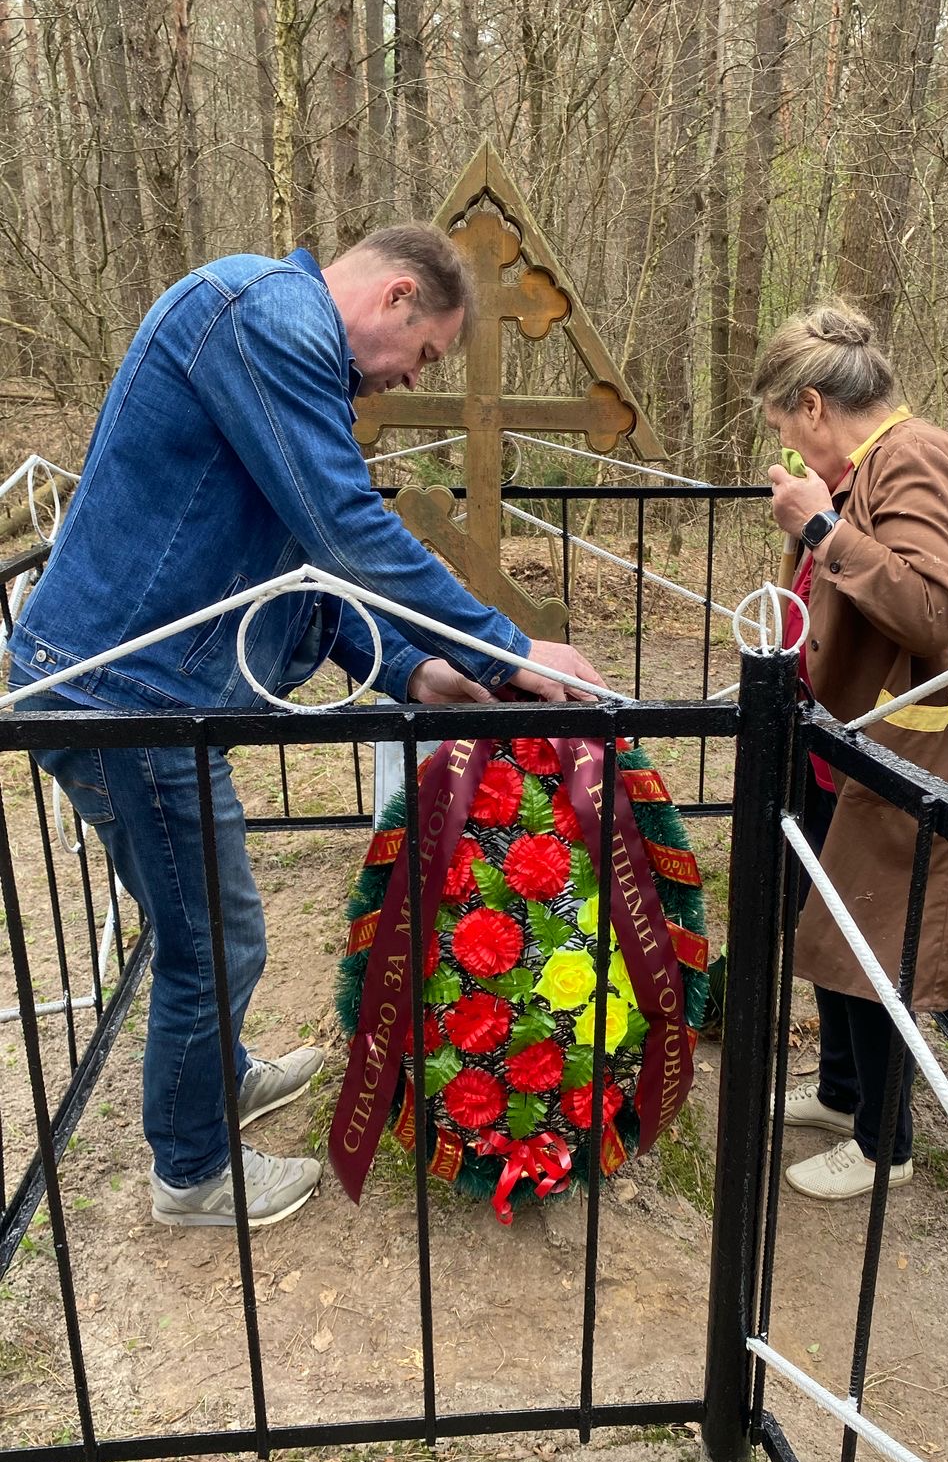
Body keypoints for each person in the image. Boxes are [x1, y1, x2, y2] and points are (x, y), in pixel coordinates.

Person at [6, 224, 606, 1229]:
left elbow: (306, 576)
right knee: (216, 936)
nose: (406, 379)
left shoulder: (281, 349)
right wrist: (507, 650)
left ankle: (220, 1078)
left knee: (206, 922)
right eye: (422, 353)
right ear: (396, 294)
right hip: (118, 694)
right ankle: (193, 1173)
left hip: (141, 689)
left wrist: (414, 668)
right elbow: (344, 526)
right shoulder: (268, 317)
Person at [752, 301, 948, 1201]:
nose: (789, 446)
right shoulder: (871, 468)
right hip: (851, 742)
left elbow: (932, 609)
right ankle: (841, 1094)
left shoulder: (916, 457)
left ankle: (882, 1142)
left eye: (787, 424)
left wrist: (821, 527)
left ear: (814, 405)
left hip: (915, 749)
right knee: (831, 919)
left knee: (875, 939)